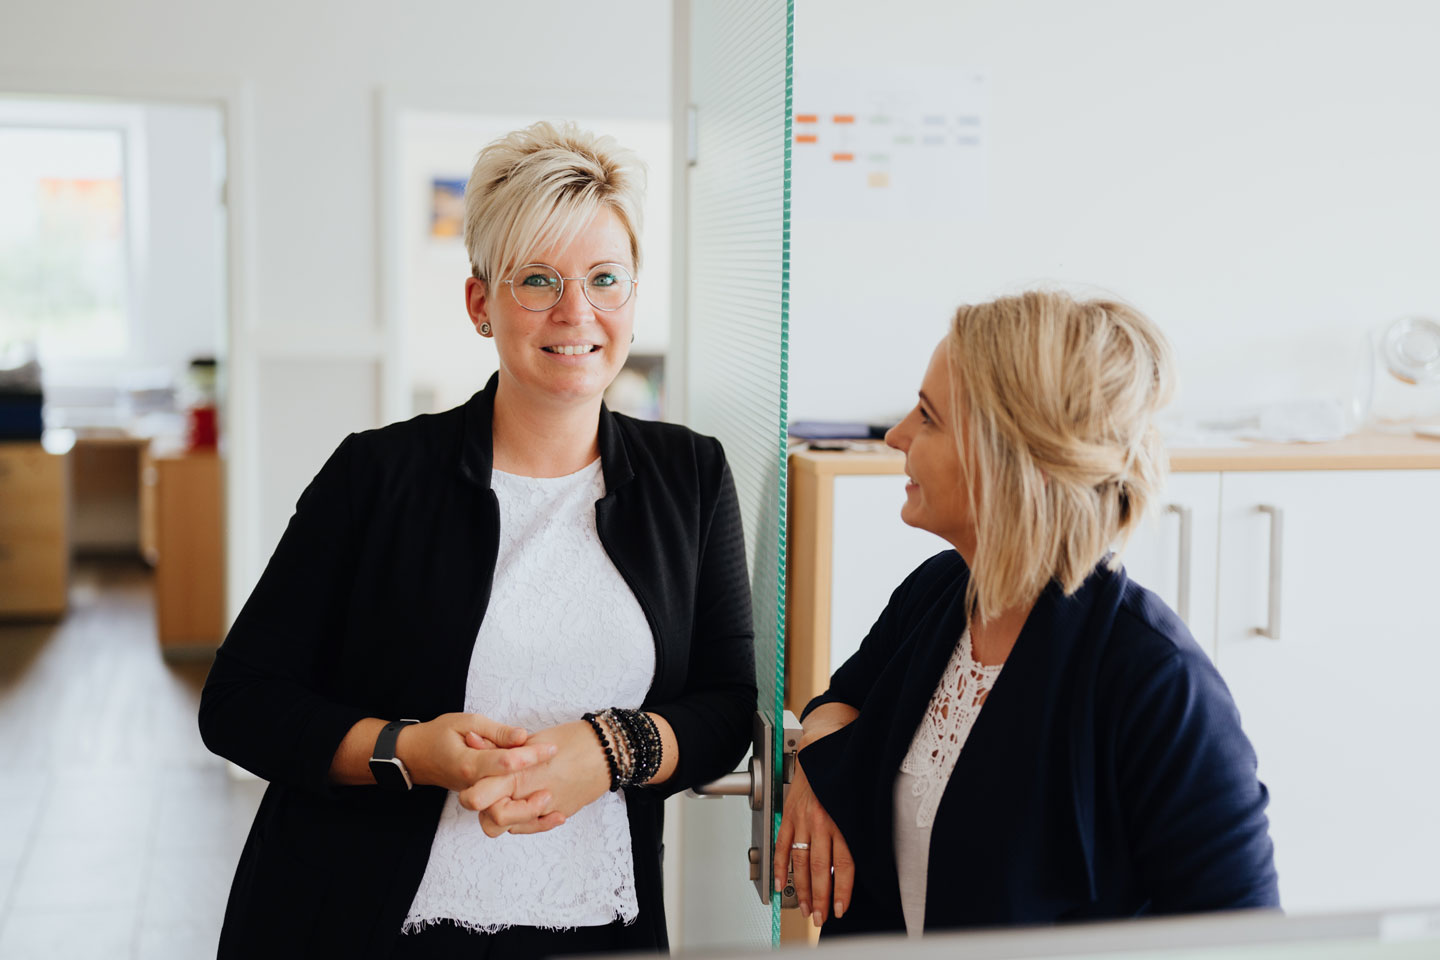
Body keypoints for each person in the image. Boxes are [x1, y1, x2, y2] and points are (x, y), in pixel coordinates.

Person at [200, 121, 756, 959]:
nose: (578, 313)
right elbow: (240, 702)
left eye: (606, 279)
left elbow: (724, 705)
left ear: (633, 298)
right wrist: (408, 751)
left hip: (598, 927)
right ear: (479, 303)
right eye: (539, 280)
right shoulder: (376, 475)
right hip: (364, 924)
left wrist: (610, 752)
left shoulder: (692, 476)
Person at [775, 290, 1278, 937]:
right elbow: (840, 701)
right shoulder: (940, 592)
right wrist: (815, 773)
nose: (897, 435)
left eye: (928, 417)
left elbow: (1248, 940)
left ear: (1015, 460)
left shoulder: (1159, 685)